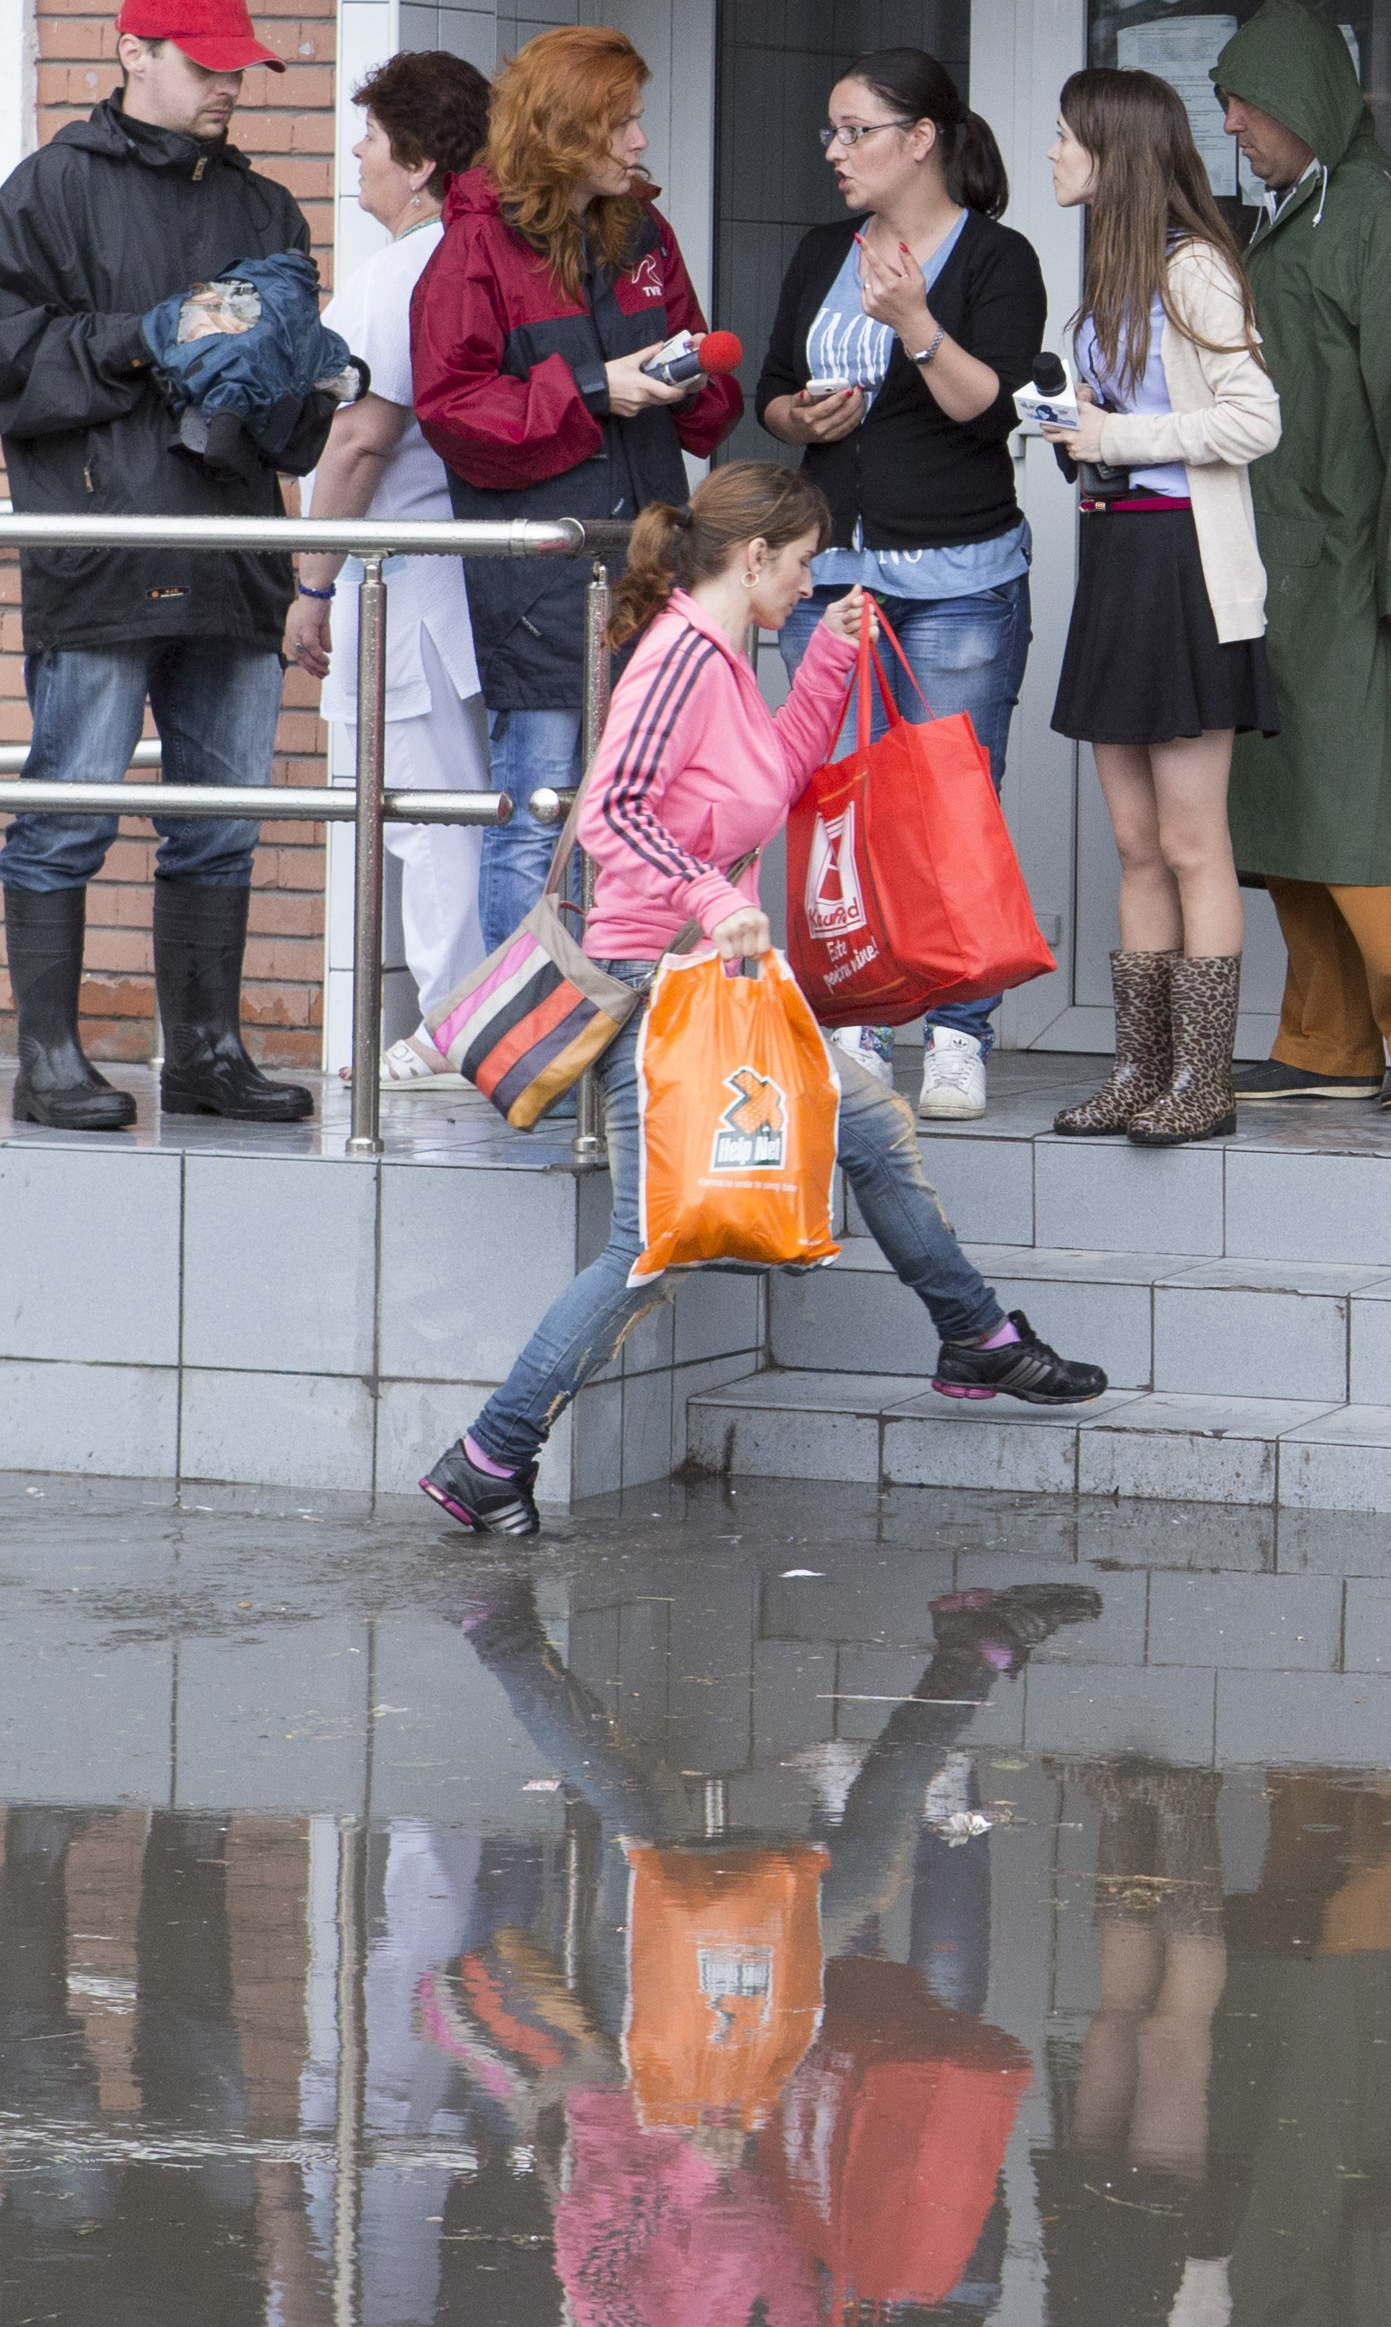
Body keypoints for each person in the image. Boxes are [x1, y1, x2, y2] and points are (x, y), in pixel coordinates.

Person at [417, 463, 1104, 1540]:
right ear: (752, 558)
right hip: (659, 985)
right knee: (649, 1250)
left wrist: (828, 661)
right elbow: (612, 811)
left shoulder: (719, 653)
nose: (807, 582)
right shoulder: (680, 660)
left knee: (869, 1127)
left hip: (702, 976)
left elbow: (767, 784)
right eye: (798, 566)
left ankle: (975, 1334)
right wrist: (703, 893)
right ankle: (490, 1453)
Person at [0, 0, 324, 1129]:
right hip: (102, 543)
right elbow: (7, 365)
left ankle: (206, 1053)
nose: (229, 86)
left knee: (224, 814)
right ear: (132, 51)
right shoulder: (44, 192)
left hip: (234, 546)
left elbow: (293, 417)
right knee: (70, 808)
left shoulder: (264, 208)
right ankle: (47, 1062)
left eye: (239, 66)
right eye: (206, 65)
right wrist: (143, 340)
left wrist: (312, 383)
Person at [757, 49, 1045, 1125]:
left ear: (919, 138)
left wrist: (917, 325)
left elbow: (991, 405)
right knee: (840, 810)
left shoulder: (997, 257)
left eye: (854, 130)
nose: (834, 152)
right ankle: (854, 1023)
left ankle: (959, 1035)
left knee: (952, 805)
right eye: (829, 133)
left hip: (959, 573)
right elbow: (773, 391)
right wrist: (801, 420)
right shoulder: (823, 250)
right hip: (831, 569)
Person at [411, 25, 741, 950]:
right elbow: (455, 412)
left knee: (651, 807)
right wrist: (601, 386)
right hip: (543, 587)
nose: (640, 141)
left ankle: (617, 1037)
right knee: (540, 814)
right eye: (622, 123)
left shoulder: (644, 231)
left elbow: (709, 399)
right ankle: (529, 1049)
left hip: (652, 564)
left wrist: (692, 379)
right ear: (562, 132)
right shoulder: (474, 249)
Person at [1211, 0, 1391, 1111]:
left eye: (1247, 102)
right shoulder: (1293, 216)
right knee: (1291, 804)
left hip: (1364, 567)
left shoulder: (1379, 218)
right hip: (1286, 559)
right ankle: (1323, 1038)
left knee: (1357, 800)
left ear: (1307, 103)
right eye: (1225, 100)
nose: (1229, 122)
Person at [1042, 68, 1284, 1149]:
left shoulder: (1194, 272)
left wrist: (1114, 438)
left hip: (1182, 565)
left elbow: (1253, 420)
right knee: (1134, 841)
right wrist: (1068, 432)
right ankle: (1138, 1072)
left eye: (1063, 137)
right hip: (1115, 553)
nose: (1051, 154)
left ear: (1111, 149)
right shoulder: (1105, 279)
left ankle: (1204, 1081)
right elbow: (1111, 431)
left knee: (1191, 840)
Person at [285, 49, 496, 1088]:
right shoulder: (480, 256)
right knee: (447, 805)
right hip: (452, 584)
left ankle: (461, 1022)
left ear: (417, 164)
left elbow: (359, 442)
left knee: (429, 811)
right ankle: (468, 1013)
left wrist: (309, 579)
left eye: (369, 141)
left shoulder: (400, 276)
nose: (356, 160)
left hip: (403, 581)